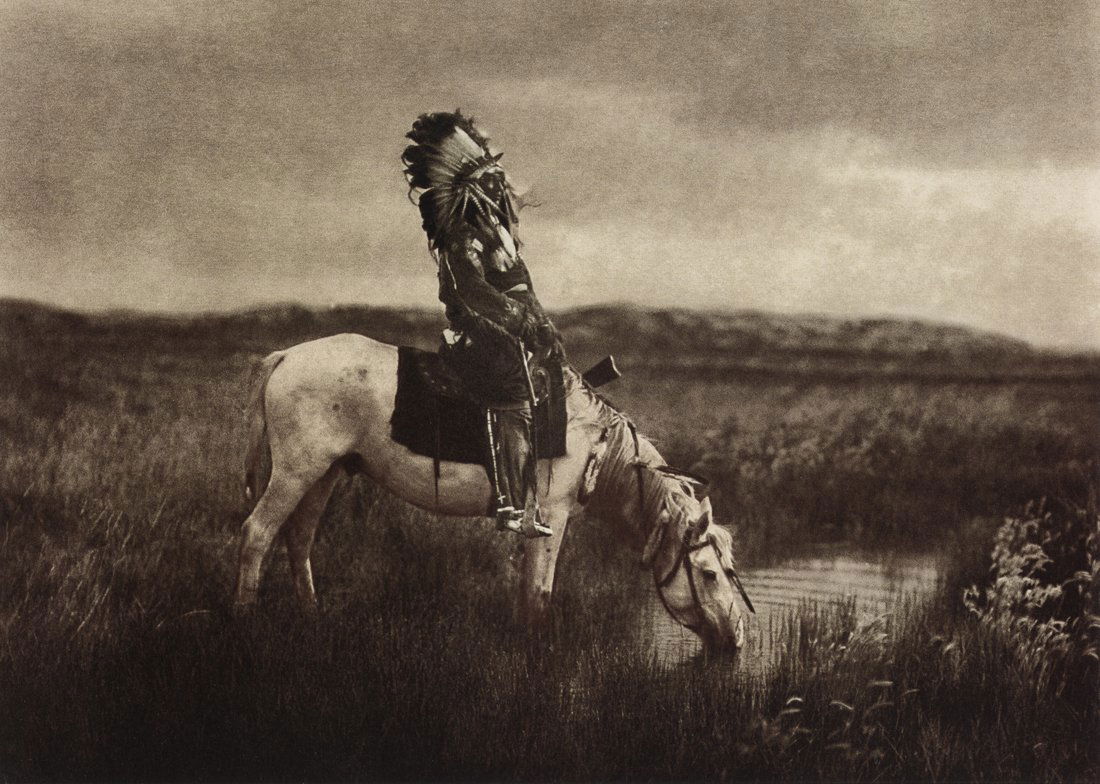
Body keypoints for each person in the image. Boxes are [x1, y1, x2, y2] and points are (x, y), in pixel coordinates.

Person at [402, 111, 564, 536]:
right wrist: (522, 322)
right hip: (476, 332)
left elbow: (520, 285)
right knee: (512, 386)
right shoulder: (460, 237)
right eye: (490, 179)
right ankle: (513, 504)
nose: (500, 185)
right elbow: (469, 293)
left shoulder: (497, 234)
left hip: (506, 328)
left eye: (497, 177)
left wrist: (542, 325)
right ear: (472, 188)